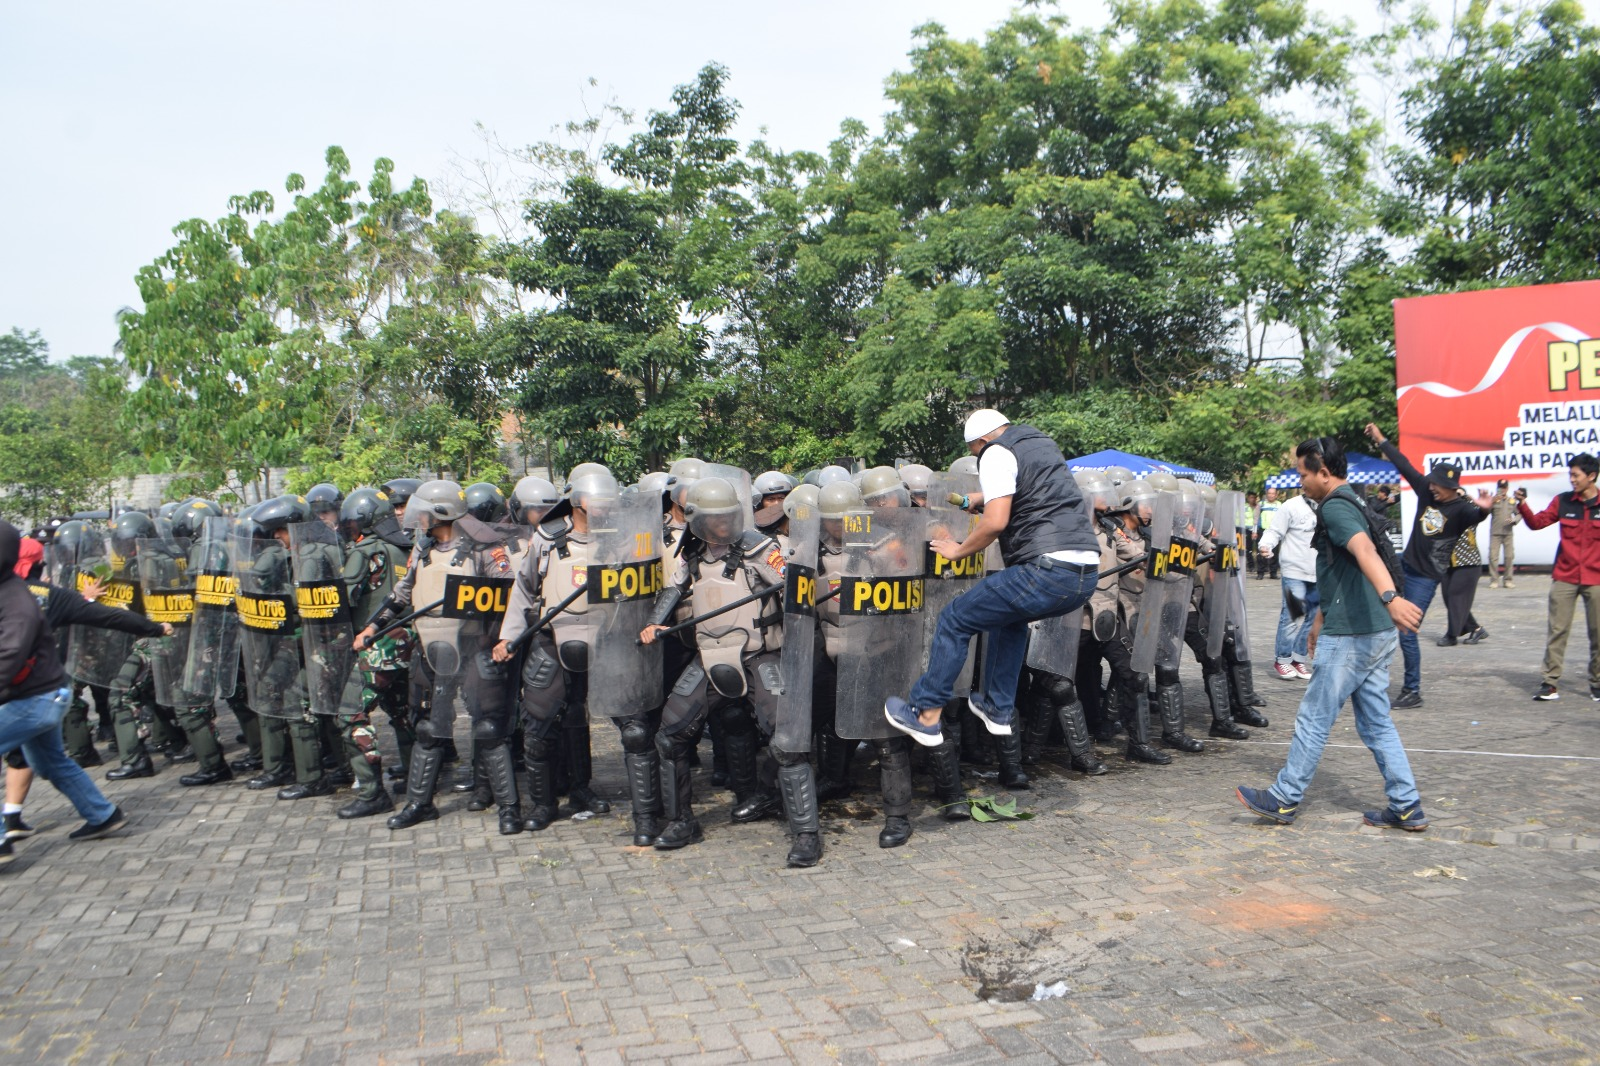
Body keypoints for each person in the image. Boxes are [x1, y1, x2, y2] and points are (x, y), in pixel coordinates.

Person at [1236, 438, 1429, 831]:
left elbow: (1364, 552)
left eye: (1304, 474)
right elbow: (1344, 569)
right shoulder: (1353, 500)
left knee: (1313, 718)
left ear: (1324, 472)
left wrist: (1390, 597)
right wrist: (1323, 616)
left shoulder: (1337, 507)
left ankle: (1284, 798)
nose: (1300, 481)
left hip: (1354, 636)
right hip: (1372, 630)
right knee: (1376, 723)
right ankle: (1407, 805)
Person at [884, 409, 1100, 746]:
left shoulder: (996, 452)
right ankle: (997, 708)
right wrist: (977, 499)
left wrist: (957, 550)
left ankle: (925, 714)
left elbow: (997, 522)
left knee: (955, 619)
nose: (978, 457)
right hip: (1083, 576)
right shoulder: (1041, 444)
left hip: (1044, 570)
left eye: (975, 451)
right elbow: (1028, 492)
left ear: (982, 441)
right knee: (1008, 618)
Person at [0, 520, 128, 862]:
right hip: (47, 694)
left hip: (33, 699)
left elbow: (8, 656)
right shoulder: (27, 592)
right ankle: (102, 815)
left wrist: (154, 628)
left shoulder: (18, 601)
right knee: (52, 762)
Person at [1365, 423, 1493, 708]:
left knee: (1407, 631)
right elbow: (1404, 464)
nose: (1432, 487)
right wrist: (1381, 440)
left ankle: (1413, 690)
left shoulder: (1462, 509)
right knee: (1363, 571)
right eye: (1432, 482)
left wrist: (1485, 508)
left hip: (1426, 577)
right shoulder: (1426, 490)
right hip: (1403, 564)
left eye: (1439, 485)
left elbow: (1479, 516)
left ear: (1453, 489)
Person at [1518, 454, 1600, 701]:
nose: (1572, 479)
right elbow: (1537, 523)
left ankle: (1597, 683)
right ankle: (1550, 683)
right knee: (1557, 630)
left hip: (1596, 579)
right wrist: (1522, 505)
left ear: (1592, 476)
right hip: (1564, 577)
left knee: (1598, 632)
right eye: (1570, 475)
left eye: (1576, 475)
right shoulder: (1563, 501)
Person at [1257, 488, 1319, 680]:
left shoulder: (1328, 504)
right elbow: (1274, 530)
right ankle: (1282, 659)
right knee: (1293, 615)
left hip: (1318, 571)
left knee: (1313, 616)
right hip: (1294, 570)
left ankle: (1298, 658)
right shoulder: (1290, 506)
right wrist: (1265, 545)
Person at [1488, 480, 1522, 588]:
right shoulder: (1493, 500)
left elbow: (1519, 513)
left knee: (1509, 557)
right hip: (1495, 533)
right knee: (1493, 557)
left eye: (1504, 487)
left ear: (1507, 488)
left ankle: (1508, 580)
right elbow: (1484, 511)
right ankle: (1494, 580)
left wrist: (1514, 520)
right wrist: (1491, 502)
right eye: (1500, 487)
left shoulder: (1511, 501)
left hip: (1508, 532)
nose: (1502, 489)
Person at [1254, 488, 1282, 579]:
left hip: (1275, 532)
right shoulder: (1261, 504)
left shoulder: (1279, 505)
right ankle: (1260, 573)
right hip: (1262, 530)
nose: (1271, 495)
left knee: (1275, 552)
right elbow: (1256, 518)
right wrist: (1254, 531)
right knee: (1261, 552)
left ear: (1276, 495)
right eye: (1269, 493)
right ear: (1266, 494)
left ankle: (1273, 573)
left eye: (1273, 493)